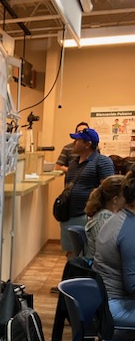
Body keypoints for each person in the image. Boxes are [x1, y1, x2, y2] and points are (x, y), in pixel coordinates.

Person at [60, 128, 115, 255]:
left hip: (89, 216)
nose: (73, 143)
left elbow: (109, 189)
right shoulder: (73, 163)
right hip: (69, 215)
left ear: (88, 143)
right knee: (71, 253)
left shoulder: (102, 161)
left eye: (77, 140)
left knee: (88, 254)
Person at [94, 172, 135, 329]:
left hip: (105, 300)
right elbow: (133, 286)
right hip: (116, 305)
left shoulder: (118, 218)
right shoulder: (130, 230)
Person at [84, 175, 125, 260]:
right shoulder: (104, 220)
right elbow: (110, 254)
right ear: (115, 199)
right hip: (100, 270)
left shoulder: (105, 215)